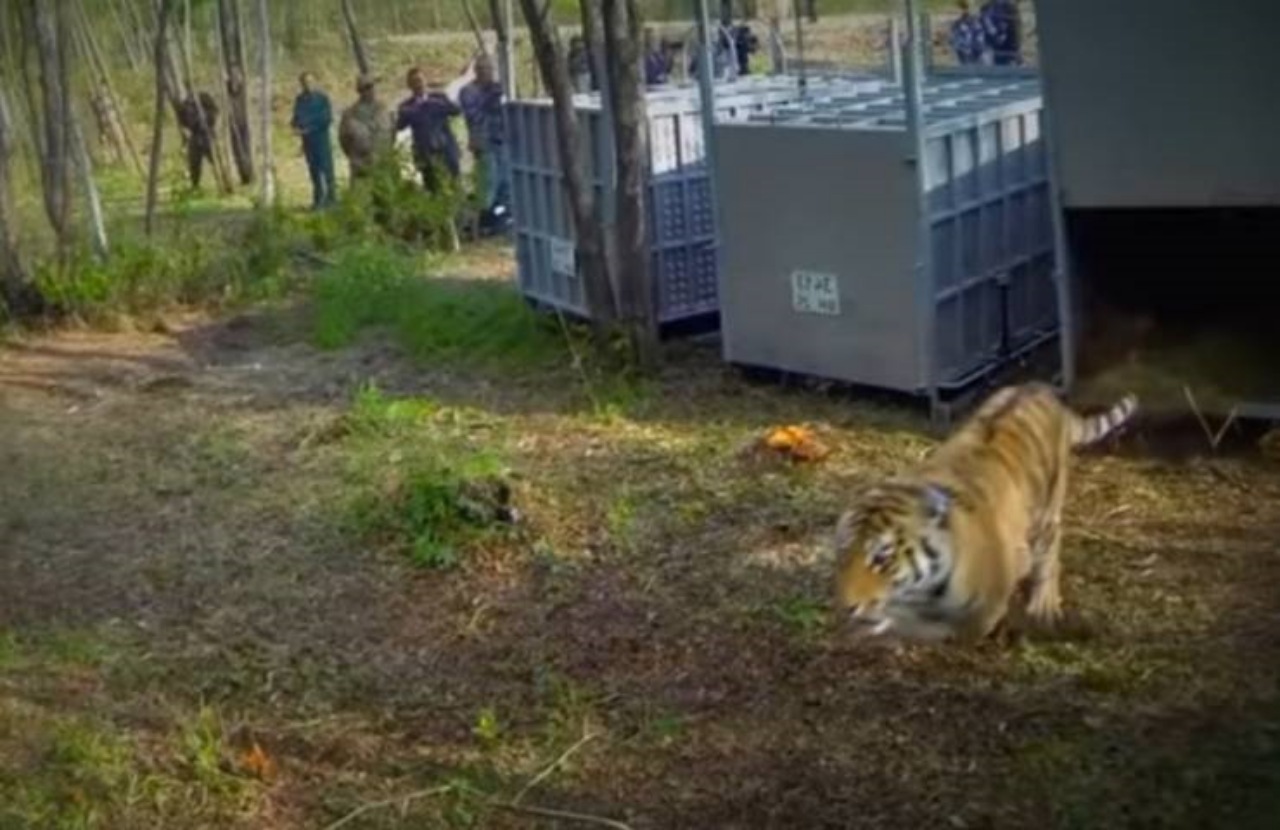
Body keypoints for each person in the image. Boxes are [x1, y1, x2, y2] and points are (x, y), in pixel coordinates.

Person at [458, 55, 510, 230]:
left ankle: (499, 221)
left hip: (501, 141)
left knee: (505, 184)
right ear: (477, 71)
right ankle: (478, 223)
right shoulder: (468, 91)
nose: (487, 73)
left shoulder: (497, 89)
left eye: (490, 69)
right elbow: (473, 115)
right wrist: (489, 97)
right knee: (488, 184)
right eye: (483, 69)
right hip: (483, 144)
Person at [395, 66, 462, 195]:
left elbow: (456, 110)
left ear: (425, 81)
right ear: (409, 85)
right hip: (425, 153)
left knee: (455, 184)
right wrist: (407, 112)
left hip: (446, 148)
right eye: (414, 82)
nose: (418, 85)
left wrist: (435, 103)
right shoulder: (406, 106)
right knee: (433, 188)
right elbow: (399, 126)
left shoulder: (439, 97)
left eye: (419, 80)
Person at [290, 72, 336, 209]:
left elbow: (326, 119)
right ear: (301, 84)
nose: (308, 85)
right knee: (314, 171)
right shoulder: (300, 100)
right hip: (307, 141)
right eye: (305, 82)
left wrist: (308, 127)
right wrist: (295, 126)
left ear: (315, 82)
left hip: (321, 139)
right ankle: (318, 200)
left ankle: (332, 200)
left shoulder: (322, 99)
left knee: (327, 170)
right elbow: (296, 117)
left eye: (310, 82)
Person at [338, 73, 392, 183]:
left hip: (383, 163)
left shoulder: (384, 109)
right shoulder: (349, 114)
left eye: (372, 86)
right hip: (360, 165)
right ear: (359, 90)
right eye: (366, 87)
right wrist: (357, 156)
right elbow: (343, 140)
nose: (370, 90)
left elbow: (392, 133)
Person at [176, 91, 219, 190]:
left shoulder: (204, 97)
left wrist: (206, 119)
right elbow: (182, 120)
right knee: (194, 162)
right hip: (195, 135)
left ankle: (222, 180)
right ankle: (195, 186)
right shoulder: (184, 104)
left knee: (214, 159)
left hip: (207, 133)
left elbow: (215, 112)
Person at [225, 68, 253, 185]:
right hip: (233, 125)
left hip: (245, 125)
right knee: (237, 152)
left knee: (246, 151)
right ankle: (243, 176)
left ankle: (249, 175)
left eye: (237, 75)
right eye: (232, 76)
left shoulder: (244, 90)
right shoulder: (226, 91)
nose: (235, 78)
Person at [980, 0, 1023, 66]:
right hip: (993, 49)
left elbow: (1016, 29)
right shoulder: (986, 8)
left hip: (1009, 48)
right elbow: (983, 27)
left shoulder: (1010, 7)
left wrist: (1017, 48)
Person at [949, 0, 988, 66]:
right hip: (962, 53)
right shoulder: (956, 24)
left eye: (961, 9)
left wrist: (975, 48)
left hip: (975, 53)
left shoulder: (974, 22)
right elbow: (953, 39)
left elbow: (979, 37)